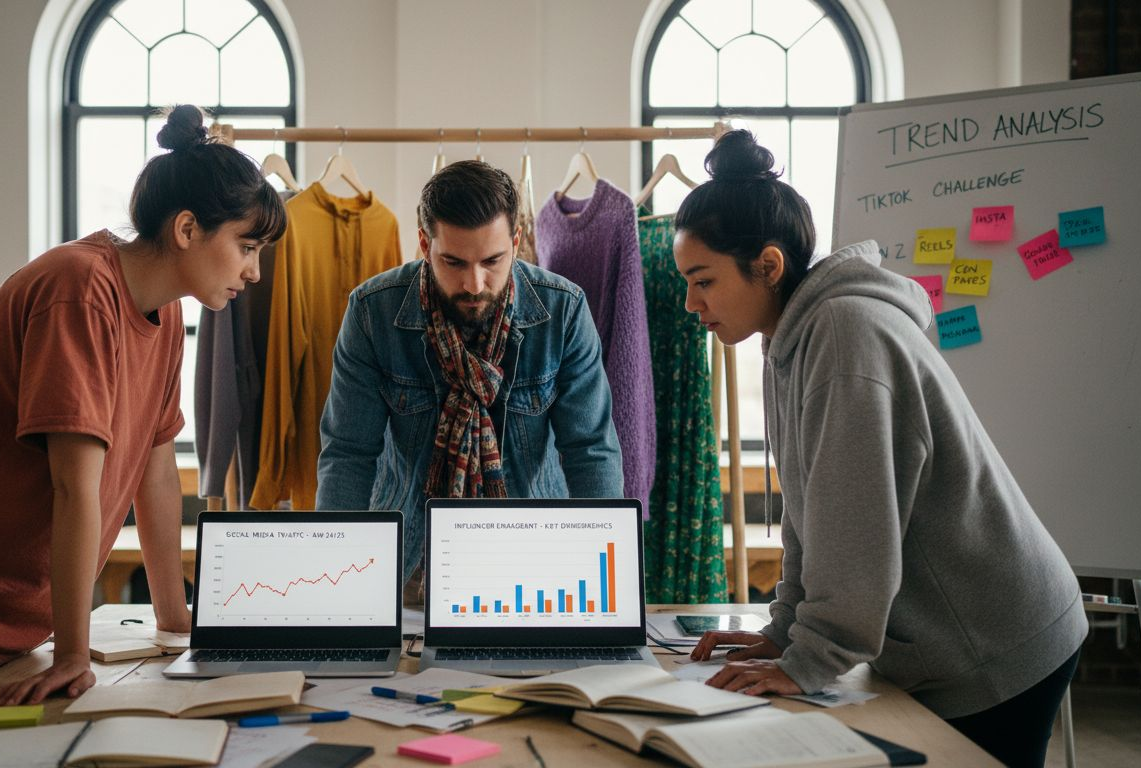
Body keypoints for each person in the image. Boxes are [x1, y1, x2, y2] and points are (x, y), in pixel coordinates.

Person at [0, 105, 285, 740]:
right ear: (186, 229)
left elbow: (154, 472)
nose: (254, 272)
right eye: (247, 247)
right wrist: (72, 653)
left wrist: (175, 618)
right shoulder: (80, 289)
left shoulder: (169, 314)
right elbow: (76, 486)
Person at [678, 130, 1086, 767]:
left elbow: (855, 528)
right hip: (958, 636)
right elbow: (809, 512)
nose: (689, 302)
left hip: (994, 640)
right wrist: (784, 634)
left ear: (768, 265)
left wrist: (811, 659)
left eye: (702, 280)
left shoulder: (844, 335)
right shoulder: (788, 337)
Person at [316, 160, 624, 580]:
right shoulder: (374, 312)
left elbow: (591, 450)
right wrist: (338, 576)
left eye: (493, 261)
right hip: (409, 563)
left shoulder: (563, 311)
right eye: (454, 263)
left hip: (536, 559)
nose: (475, 284)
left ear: (516, 241)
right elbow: (348, 454)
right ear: (425, 245)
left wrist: (604, 576)